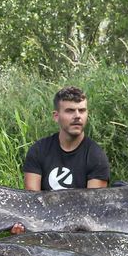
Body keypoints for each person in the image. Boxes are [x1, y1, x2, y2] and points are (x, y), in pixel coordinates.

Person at [11, 86, 110, 234]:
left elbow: (93, 210)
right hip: (43, 227)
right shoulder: (38, 150)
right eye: (70, 111)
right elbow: (32, 202)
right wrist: (24, 227)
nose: (77, 116)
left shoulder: (97, 156)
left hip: (81, 233)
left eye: (82, 110)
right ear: (56, 116)